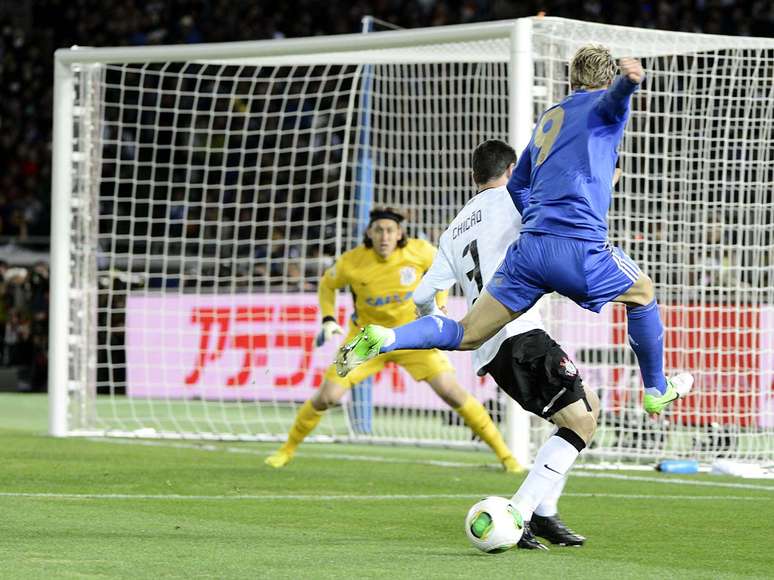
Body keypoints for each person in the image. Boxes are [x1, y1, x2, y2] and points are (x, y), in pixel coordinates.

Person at [337, 45, 693, 416]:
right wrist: (628, 84)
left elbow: (518, 185)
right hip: (578, 248)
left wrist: (540, 222)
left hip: (530, 252)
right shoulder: (602, 103)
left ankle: (388, 336)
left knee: (467, 333)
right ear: (603, 81)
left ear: (568, 79)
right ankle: (655, 388)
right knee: (643, 293)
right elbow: (612, 105)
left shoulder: (548, 119)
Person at [413, 139, 594, 549]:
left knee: (589, 408)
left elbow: (422, 297)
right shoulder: (514, 199)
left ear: (471, 176)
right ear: (512, 170)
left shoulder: (452, 231)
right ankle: (520, 513)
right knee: (581, 423)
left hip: (491, 346)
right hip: (520, 334)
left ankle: (545, 512)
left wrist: (432, 328)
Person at [265, 207, 523, 473]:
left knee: (452, 392)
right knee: (327, 397)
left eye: (390, 230)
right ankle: (286, 450)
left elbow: (444, 268)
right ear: (369, 233)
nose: (384, 236)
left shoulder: (419, 251)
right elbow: (327, 285)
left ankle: (506, 457)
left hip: (413, 338)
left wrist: (440, 304)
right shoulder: (352, 261)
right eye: (378, 230)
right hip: (367, 340)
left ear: (400, 233)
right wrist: (328, 318)